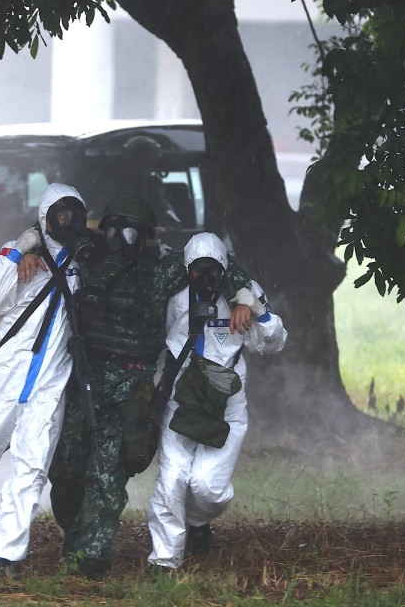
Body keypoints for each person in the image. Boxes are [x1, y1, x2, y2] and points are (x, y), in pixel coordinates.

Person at [16, 197, 253, 580]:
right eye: (113, 227)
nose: (120, 237)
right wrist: (27, 250)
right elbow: (48, 234)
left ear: (146, 237)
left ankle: (90, 554)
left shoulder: (162, 269)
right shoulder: (88, 256)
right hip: (83, 379)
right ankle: (75, 534)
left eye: (131, 230)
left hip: (130, 386)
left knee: (107, 471)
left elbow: (215, 263)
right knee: (66, 469)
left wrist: (242, 297)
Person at [0, 182, 92, 580]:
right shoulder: (19, 253)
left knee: (31, 467)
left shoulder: (87, 259)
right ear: (45, 218)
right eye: (61, 215)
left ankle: (2, 556)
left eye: (76, 214)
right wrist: (20, 251)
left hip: (50, 383)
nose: (69, 222)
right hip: (3, 376)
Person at [147, 232, 287, 572]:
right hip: (181, 398)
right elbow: (152, 336)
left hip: (226, 403)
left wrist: (257, 310)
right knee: (172, 478)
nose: (206, 277)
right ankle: (164, 559)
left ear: (224, 268)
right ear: (187, 269)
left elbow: (273, 343)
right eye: (198, 270)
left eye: (213, 270)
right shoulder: (172, 294)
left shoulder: (243, 293)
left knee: (207, 488)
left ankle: (197, 522)